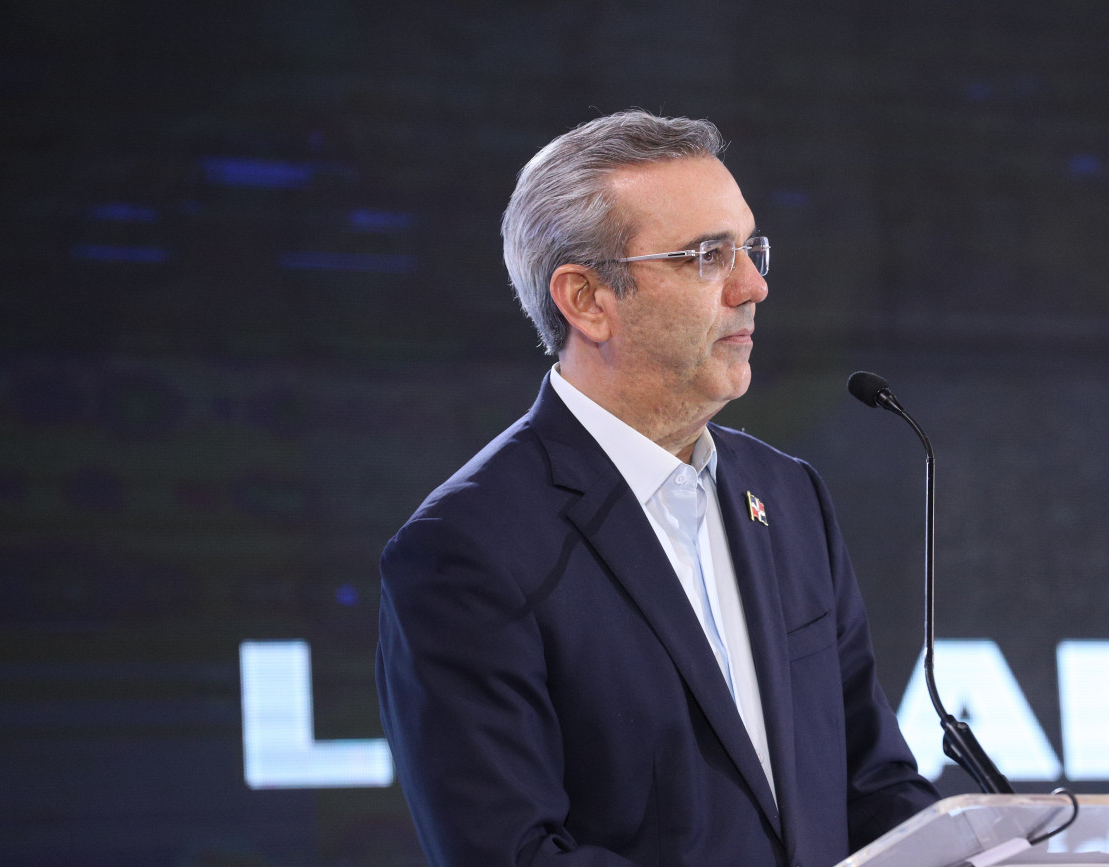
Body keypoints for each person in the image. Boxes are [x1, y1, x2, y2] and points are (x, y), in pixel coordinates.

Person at [376, 109, 939, 867]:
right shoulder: (465, 550)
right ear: (587, 299)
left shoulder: (788, 496)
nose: (754, 285)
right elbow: (512, 853)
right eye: (708, 256)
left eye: (751, 248)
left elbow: (872, 788)